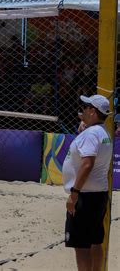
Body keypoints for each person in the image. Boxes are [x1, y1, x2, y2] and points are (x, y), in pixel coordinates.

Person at [62, 94, 113, 271]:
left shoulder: (91, 134)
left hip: (85, 196)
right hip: (98, 195)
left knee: (81, 246)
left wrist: (74, 193)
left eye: (85, 107)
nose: (81, 110)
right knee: (95, 242)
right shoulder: (103, 131)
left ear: (92, 111)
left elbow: (87, 163)